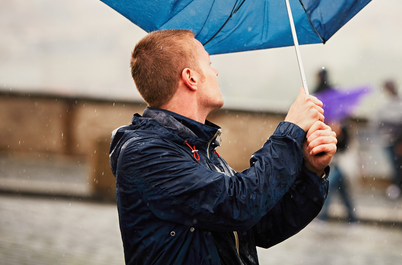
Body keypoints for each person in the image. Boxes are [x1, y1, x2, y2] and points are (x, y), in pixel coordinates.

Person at [109, 29, 337, 264]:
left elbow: (262, 225)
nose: (215, 71)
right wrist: (291, 130)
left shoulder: (198, 149)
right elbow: (239, 204)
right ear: (190, 78)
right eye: (209, 64)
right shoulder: (145, 153)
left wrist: (311, 171)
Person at [313, 67, 357, 223]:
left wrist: (338, 134)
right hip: (335, 161)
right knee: (341, 189)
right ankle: (352, 217)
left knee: (329, 186)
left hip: (338, 161)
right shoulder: (333, 101)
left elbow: (343, 144)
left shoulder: (318, 97)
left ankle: (324, 216)